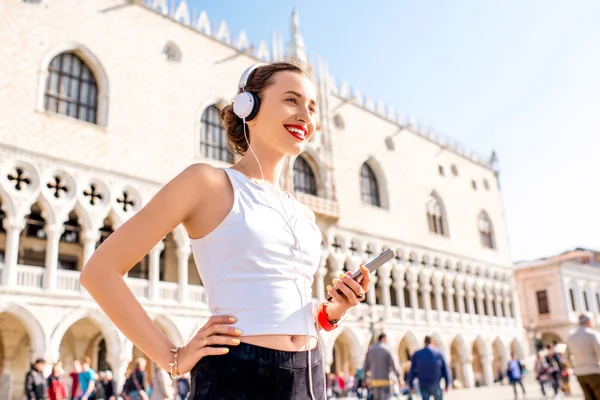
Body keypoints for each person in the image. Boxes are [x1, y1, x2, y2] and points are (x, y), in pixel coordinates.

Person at [80, 60, 373, 400]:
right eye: (291, 100)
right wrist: (173, 358)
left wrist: (335, 309)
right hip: (238, 372)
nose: (306, 117)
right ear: (249, 105)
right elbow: (99, 272)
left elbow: (292, 306)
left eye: (311, 108)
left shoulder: (304, 214)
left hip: (310, 374)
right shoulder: (207, 182)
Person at [565, 312, 600, 399]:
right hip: (594, 370)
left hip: (580, 373)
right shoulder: (593, 335)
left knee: (588, 397)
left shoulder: (570, 337)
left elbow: (566, 356)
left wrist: (573, 367)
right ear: (588, 322)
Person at [407, 336, 451, 400]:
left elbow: (412, 371)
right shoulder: (439, 353)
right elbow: (445, 369)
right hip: (435, 382)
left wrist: (411, 385)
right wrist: (447, 384)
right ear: (432, 342)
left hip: (423, 383)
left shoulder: (417, 354)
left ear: (424, 342)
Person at [363, 333, 400, 400]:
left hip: (374, 380)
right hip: (386, 380)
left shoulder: (370, 350)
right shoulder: (387, 349)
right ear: (383, 338)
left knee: (377, 398)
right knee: (386, 397)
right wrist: (399, 377)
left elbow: (365, 366)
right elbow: (394, 364)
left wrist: (364, 379)